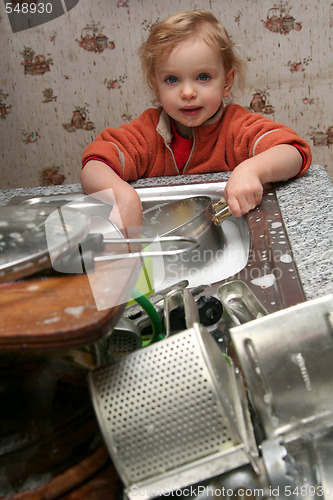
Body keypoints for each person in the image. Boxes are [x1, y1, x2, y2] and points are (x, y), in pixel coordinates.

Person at [81, 9, 311, 232]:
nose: (188, 92)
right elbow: (94, 165)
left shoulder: (236, 126)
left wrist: (251, 170)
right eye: (172, 79)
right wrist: (121, 195)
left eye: (203, 77)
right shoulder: (147, 132)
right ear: (156, 88)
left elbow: (294, 153)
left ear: (227, 82)